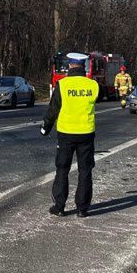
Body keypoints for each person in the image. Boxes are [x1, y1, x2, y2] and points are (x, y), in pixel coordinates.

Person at [41, 52, 99, 218]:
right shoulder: (93, 85)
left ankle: (59, 206)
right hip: (86, 133)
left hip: (66, 133)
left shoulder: (63, 84)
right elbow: (96, 99)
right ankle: (82, 208)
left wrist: (46, 126)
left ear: (70, 66)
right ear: (83, 66)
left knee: (62, 169)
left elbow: (53, 109)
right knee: (85, 171)